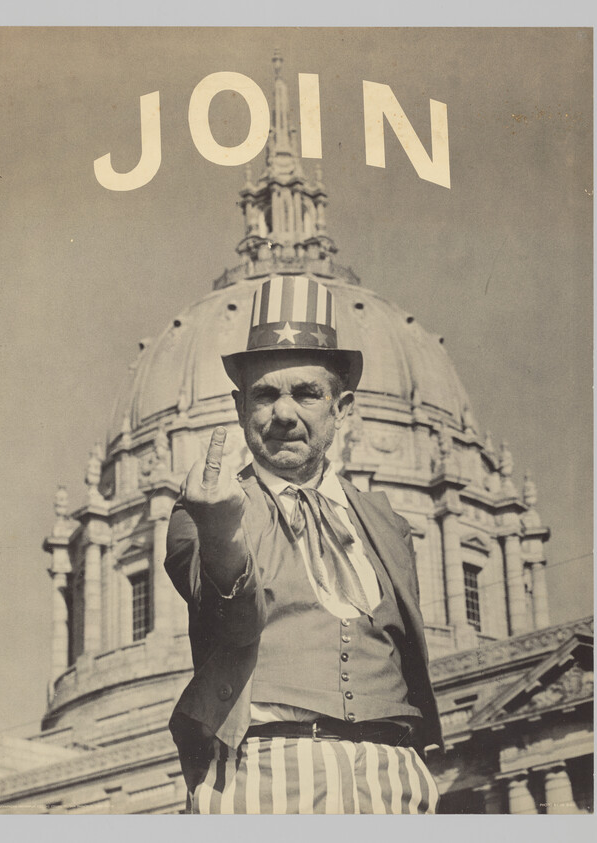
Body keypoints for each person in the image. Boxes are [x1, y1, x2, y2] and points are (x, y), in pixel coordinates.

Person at [164, 274, 442, 814]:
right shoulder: (200, 510)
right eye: (265, 394)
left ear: (343, 408)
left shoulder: (385, 522)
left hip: (395, 773)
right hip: (268, 767)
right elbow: (230, 619)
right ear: (241, 406)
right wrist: (221, 528)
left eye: (307, 393)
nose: (284, 414)